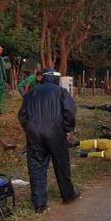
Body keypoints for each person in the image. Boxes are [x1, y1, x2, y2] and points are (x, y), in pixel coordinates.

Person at [18, 68, 79, 213]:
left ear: (43, 78)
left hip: (34, 133)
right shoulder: (61, 92)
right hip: (56, 132)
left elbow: (22, 115)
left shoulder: (30, 93)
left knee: (36, 165)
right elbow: (70, 112)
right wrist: (66, 128)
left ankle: (39, 203)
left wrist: (29, 128)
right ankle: (68, 195)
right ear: (56, 79)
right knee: (61, 164)